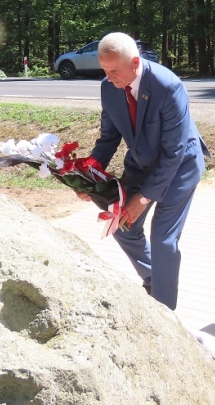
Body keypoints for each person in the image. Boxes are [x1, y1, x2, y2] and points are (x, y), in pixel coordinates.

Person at [87, 32, 208, 310]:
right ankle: (155, 279)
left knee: (163, 240)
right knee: (121, 224)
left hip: (179, 166)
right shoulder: (109, 88)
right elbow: (108, 138)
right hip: (142, 162)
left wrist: (142, 199)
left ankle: (164, 312)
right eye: (104, 70)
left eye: (114, 71)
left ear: (135, 62)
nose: (109, 77)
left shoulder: (168, 86)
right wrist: (88, 177)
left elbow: (174, 152)